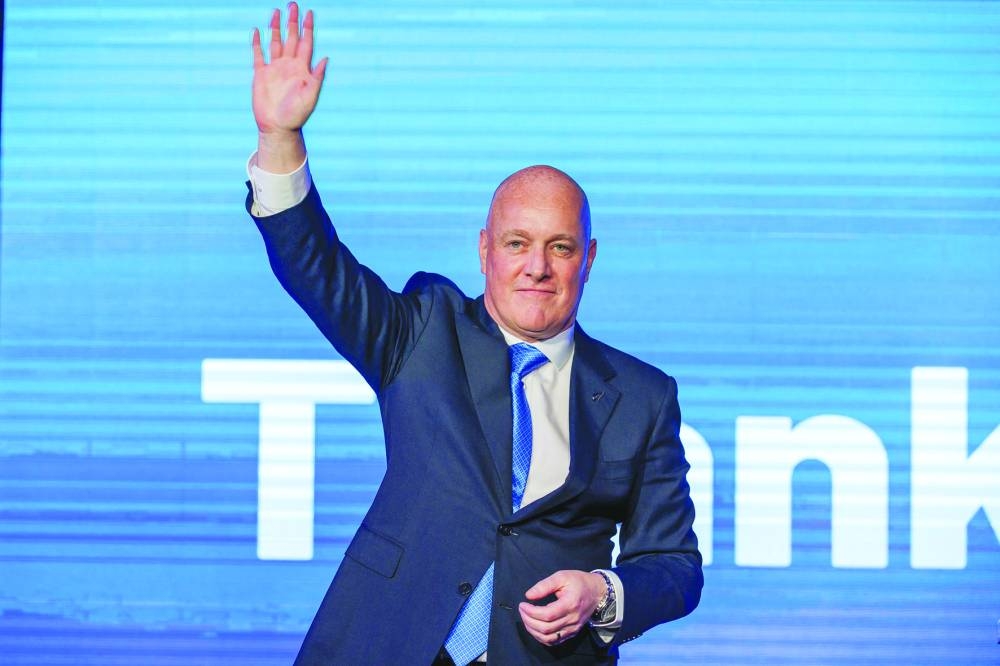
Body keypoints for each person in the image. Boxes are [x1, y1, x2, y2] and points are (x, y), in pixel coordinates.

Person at [246, 4, 702, 664]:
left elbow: (675, 567)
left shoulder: (642, 396)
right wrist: (279, 139)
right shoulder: (423, 331)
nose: (537, 266)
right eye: (517, 243)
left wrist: (602, 591)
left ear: (590, 258)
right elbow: (316, 268)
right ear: (484, 249)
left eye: (561, 247)